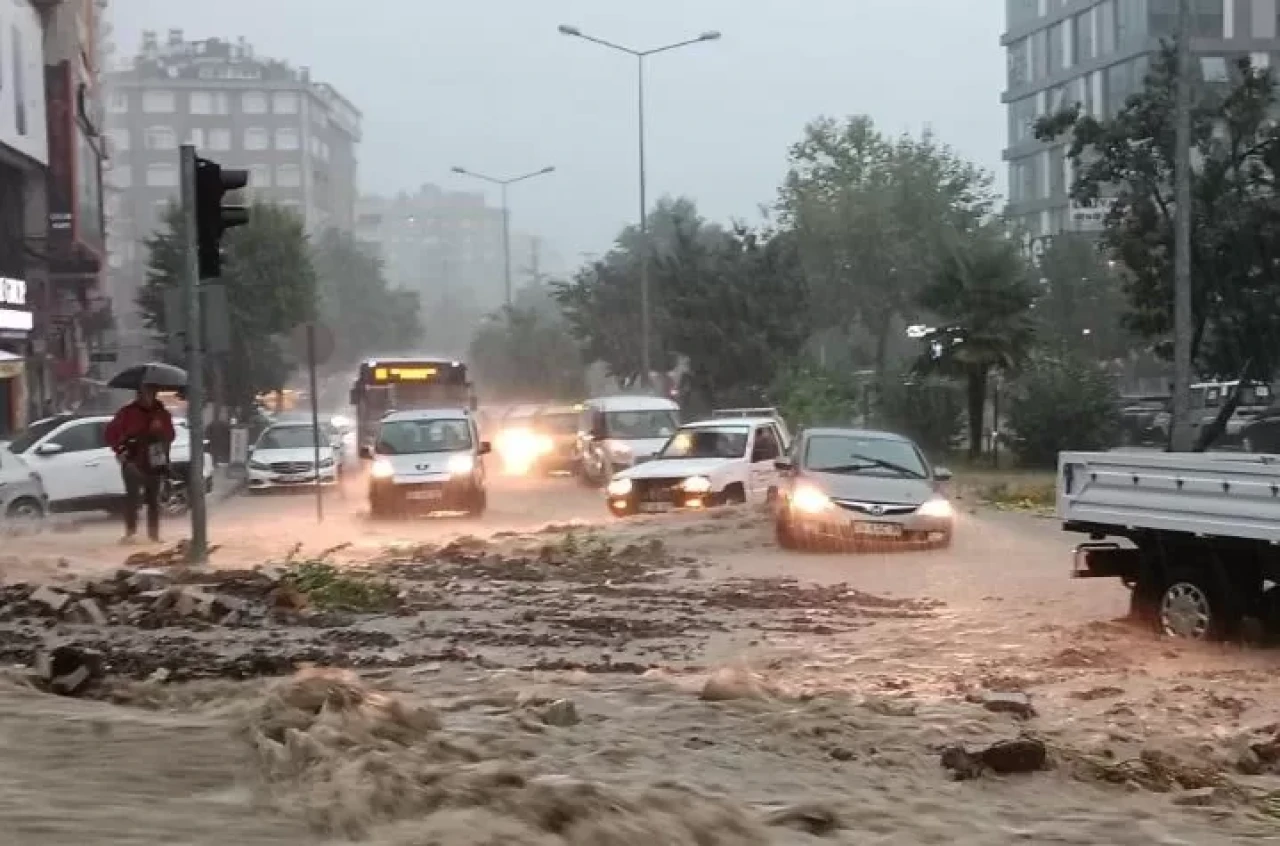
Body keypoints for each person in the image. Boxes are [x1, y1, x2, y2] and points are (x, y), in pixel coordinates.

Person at [105, 384, 175, 544]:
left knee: (153, 501)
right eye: (143, 393)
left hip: (155, 462)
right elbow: (110, 433)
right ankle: (131, 533)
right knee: (132, 499)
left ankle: (153, 535)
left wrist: (159, 431)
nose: (146, 396)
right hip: (132, 461)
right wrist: (120, 451)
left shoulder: (163, 414)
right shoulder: (127, 413)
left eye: (150, 393)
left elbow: (170, 436)